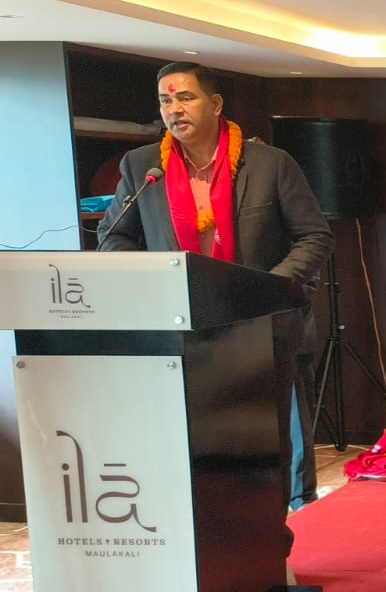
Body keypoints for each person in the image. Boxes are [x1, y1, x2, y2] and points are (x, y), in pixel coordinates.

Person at [99, 61, 333, 513]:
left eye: (185, 98)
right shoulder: (144, 166)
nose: (174, 110)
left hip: (264, 324)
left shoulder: (270, 164)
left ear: (216, 103)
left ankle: (287, 524)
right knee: (201, 445)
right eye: (165, 101)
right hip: (184, 326)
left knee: (275, 444)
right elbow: (113, 236)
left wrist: (266, 288)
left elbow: (315, 236)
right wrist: (154, 279)